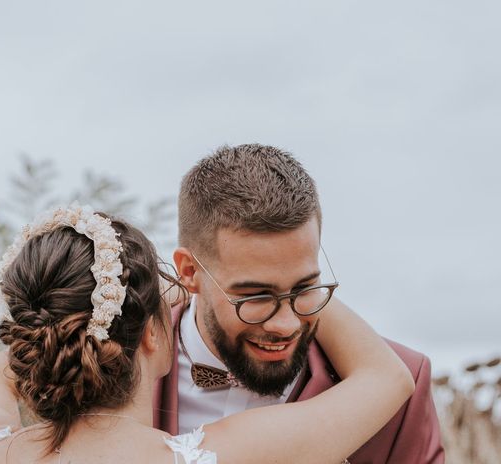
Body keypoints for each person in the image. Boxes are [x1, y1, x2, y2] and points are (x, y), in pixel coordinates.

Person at [0, 203, 414, 464]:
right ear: (152, 336)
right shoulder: (215, 456)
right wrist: (291, 289)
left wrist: (128, 308)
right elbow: (386, 378)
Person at [156, 144, 445, 463]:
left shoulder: (403, 379)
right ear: (189, 271)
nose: (286, 325)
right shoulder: (112, 360)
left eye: (304, 288)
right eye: (256, 295)